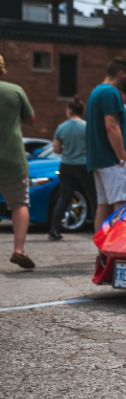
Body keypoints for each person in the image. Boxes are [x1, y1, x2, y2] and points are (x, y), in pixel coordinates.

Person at [86, 57, 126, 230]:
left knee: (104, 205)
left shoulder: (96, 92)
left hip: (100, 160)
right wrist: (122, 157)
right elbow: (111, 126)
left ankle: (102, 252)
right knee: (122, 206)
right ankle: (118, 250)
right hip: (114, 160)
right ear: (121, 74)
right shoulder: (111, 92)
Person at [0, 54, 36, 268]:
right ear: (2, 69)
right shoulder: (15, 91)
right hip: (12, 156)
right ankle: (19, 250)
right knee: (19, 203)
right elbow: (30, 120)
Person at [48, 97, 97, 241]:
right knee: (93, 198)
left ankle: (54, 230)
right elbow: (93, 148)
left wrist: (68, 150)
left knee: (64, 198)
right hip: (84, 166)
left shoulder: (62, 127)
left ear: (70, 110)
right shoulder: (87, 126)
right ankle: (97, 229)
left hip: (66, 166)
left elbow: (56, 149)